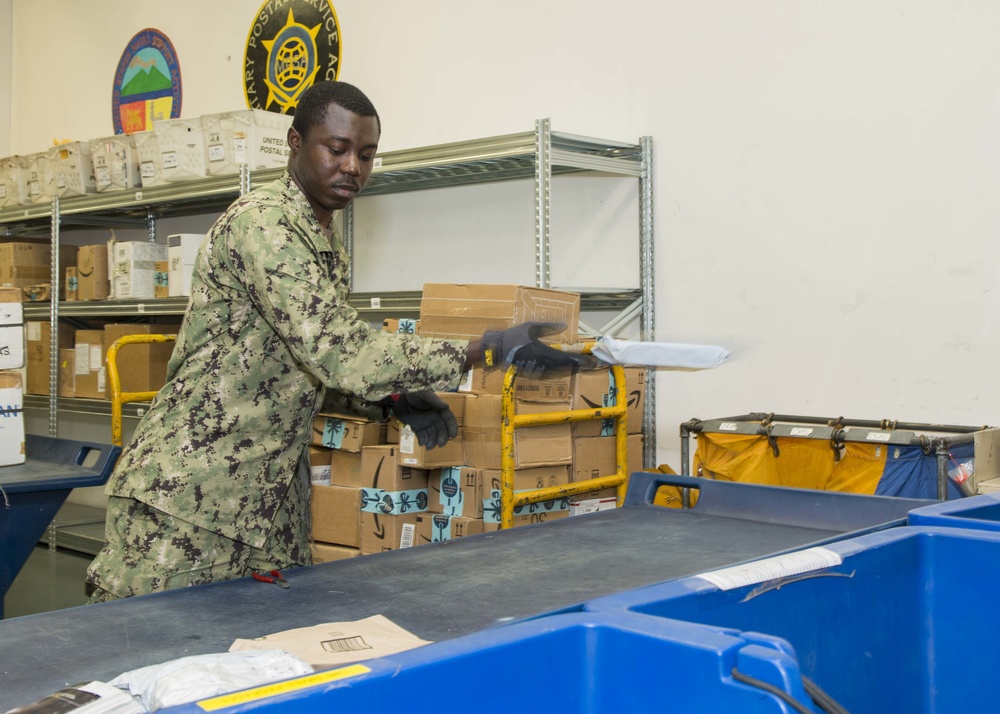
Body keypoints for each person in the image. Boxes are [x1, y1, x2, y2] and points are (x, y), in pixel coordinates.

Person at [85, 81, 591, 601]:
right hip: (189, 500)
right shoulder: (267, 226)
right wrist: (489, 347)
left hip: (265, 506)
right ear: (295, 142)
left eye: (367, 155)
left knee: (272, 666)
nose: (354, 166)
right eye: (338, 148)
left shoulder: (320, 242)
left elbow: (297, 369)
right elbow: (340, 352)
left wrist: (390, 399)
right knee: (155, 665)